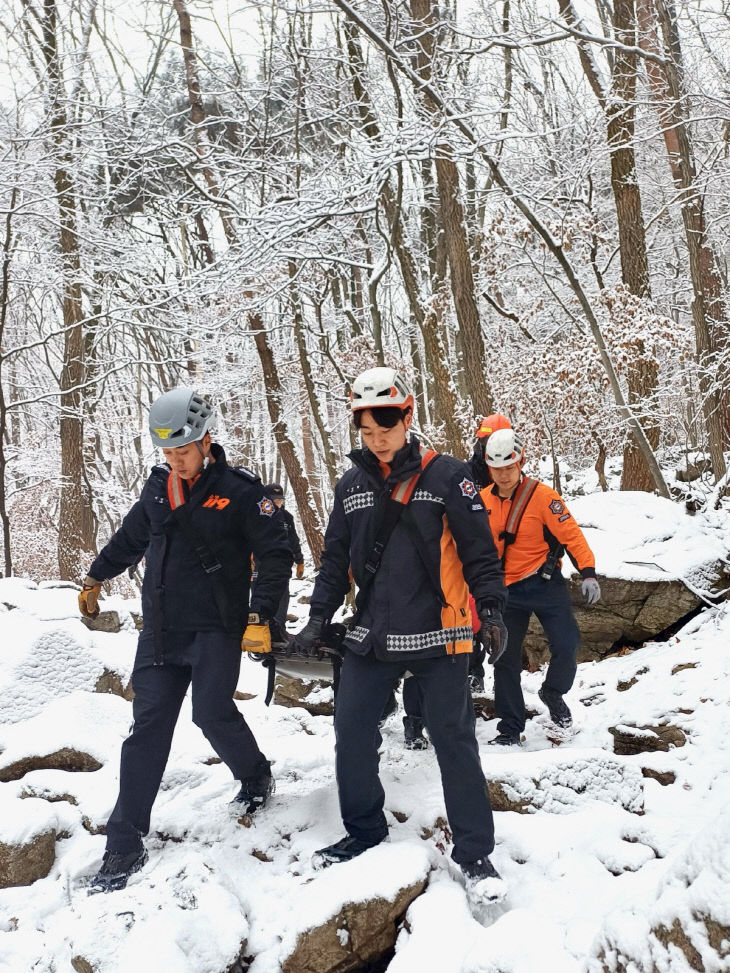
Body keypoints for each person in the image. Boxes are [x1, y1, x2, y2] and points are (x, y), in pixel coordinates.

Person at [292, 366, 508, 891]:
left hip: (441, 632)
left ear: (408, 417)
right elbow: (335, 558)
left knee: (454, 738)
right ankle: (364, 830)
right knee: (350, 730)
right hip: (371, 632)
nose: (377, 439)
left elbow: (480, 552)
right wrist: (318, 618)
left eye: (385, 427)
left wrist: (492, 610)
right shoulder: (350, 486)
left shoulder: (448, 477)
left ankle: (476, 854)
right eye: (366, 431)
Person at [78, 387, 292, 892]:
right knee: (147, 728)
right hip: (161, 631)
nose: (176, 460)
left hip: (216, 628)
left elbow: (276, 553)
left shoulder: (242, 492)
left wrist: (261, 614)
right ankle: (123, 845)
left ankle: (256, 773)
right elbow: (130, 539)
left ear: (205, 441)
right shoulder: (158, 490)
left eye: (183, 451)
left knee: (210, 713)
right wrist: (94, 576)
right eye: (168, 453)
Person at [480, 427, 601, 746]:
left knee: (567, 642)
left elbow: (571, 535)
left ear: (520, 463)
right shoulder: (482, 502)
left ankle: (553, 693)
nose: (503, 475)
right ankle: (509, 728)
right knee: (503, 657)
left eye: (508, 467)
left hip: (544, 583)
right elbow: (470, 545)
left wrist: (587, 571)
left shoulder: (543, 497)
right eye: (496, 468)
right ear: (488, 467)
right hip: (505, 590)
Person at [261, 483, 305, 633]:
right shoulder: (257, 517)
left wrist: (299, 560)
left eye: (280, 500)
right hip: (261, 564)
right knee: (262, 597)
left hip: (282, 565)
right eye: (274, 500)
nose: (277, 503)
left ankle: (279, 629)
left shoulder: (287, 517)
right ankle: (262, 628)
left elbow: (293, 540)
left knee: (282, 596)